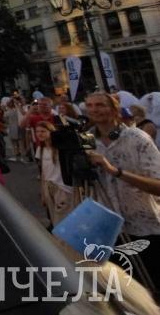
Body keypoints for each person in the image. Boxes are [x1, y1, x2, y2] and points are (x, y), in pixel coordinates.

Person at [83, 91, 160, 293]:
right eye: (89, 105)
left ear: (114, 109)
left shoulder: (137, 138)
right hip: (108, 231)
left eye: (100, 105)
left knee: (153, 289)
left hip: (145, 227)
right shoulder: (86, 140)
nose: (94, 110)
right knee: (126, 294)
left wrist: (115, 171)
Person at [34, 122, 73, 227]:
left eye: (43, 131)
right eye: (37, 131)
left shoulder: (60, 149)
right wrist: (43, 192)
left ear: (51, 132)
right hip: (48, 185)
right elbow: (43, 172)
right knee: (53, 218)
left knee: (63, 217)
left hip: (62, 187)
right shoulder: (40, 149)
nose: (39, 134)